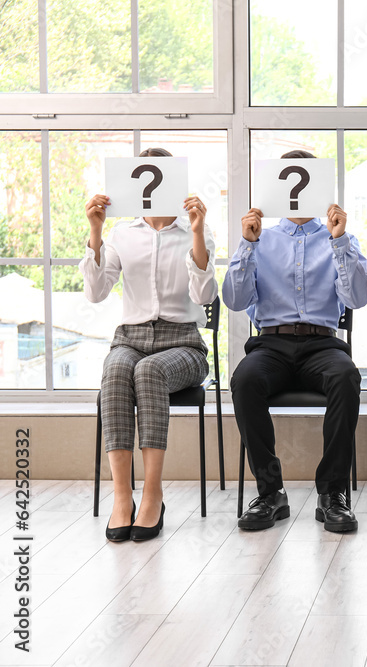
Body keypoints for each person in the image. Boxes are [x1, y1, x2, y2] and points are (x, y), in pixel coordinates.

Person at [223, 149, 367, 533]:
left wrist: (339, 243)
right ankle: (271, 493)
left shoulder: (341, 239)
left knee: (346, 378)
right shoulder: (260, 239)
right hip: (270, 345)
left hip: (322, 345)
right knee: (244, 380)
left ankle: (332, 494)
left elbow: (357, 299)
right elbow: (236, 302)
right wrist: (247, 246)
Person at [82, 147, 216, 542]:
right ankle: (122, 496)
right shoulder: (124, 234)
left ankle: (153, 494)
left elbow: (205, 295)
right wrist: (95, 232)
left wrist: (196, 232)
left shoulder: (198, 231)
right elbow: (95, 292)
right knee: (117, 369)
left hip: (184, 344)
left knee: (149, 370)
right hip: (131, 338)